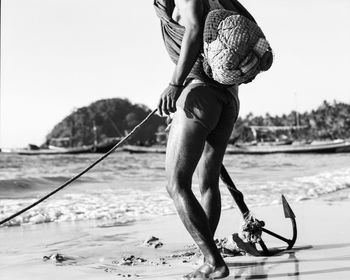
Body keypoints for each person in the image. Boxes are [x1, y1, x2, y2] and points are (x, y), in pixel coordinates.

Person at [156, 0, 257, 279]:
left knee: (176, 184)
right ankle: (208, 257)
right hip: (228, 98)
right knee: (208, 182)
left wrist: (175, 86)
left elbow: (193, 31)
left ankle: (214, 261)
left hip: (198, 93)